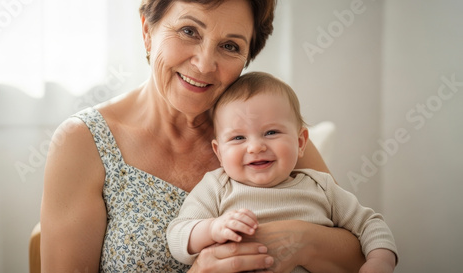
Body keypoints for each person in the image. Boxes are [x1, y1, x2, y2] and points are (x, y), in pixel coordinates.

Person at [41, 1, 367, 272]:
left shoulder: (267, 138)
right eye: (188, 31)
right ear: (147, 31)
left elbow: (357, 251)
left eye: (229, 46)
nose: (204, 63)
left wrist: (296, 240)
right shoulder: (82, 141)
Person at [167, 72, 398, 273]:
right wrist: (211, 229)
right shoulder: (217, 187)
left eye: (271, 132)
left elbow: (369, 224)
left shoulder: (321, 186)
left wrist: (381, 259)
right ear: (219, 152)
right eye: (238, 138)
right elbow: (177, 234)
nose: (256, 147)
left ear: (300, 142)